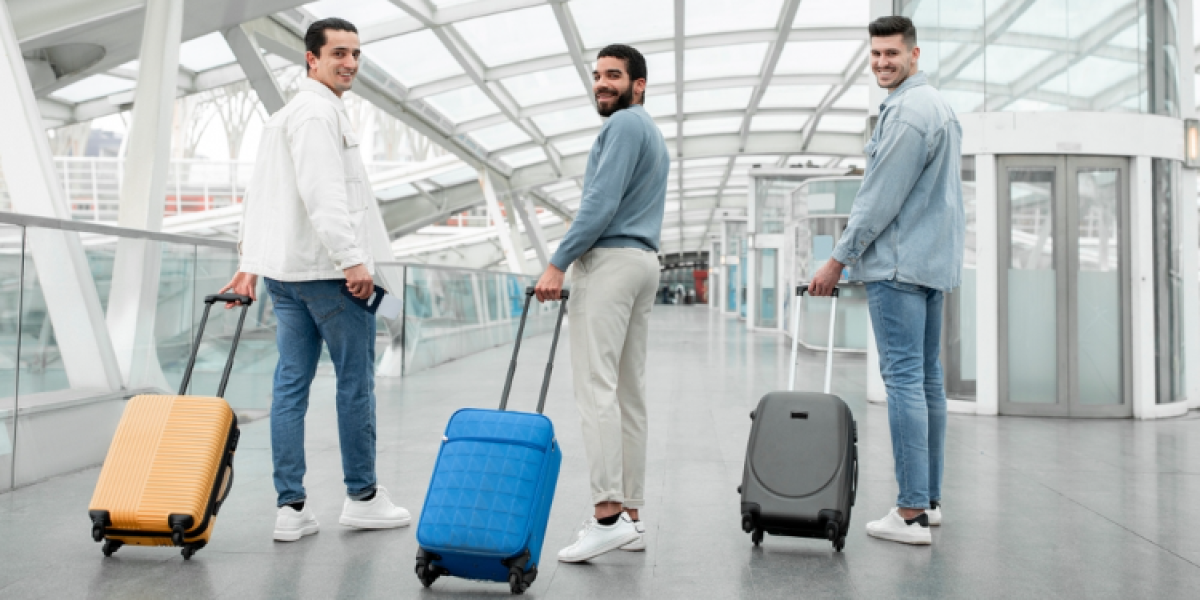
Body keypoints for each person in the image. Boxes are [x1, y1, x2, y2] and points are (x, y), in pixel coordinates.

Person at [220, 17, 410, 542]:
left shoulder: (287, 116)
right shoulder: (317, 116)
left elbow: (262, 198)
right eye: (338, 54)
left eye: (355, 54)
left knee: (290, 388)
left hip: (286, 276)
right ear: (311, 58)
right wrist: (353, 262)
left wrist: (249, 262)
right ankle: (363, 496)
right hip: (331, 275)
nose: (350, 63)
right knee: (355, 386)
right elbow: (324, 196)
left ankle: (291, 508)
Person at [809, 15, 964, 546]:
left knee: (903, 379)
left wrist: (838, 259)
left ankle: (911, 510)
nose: (881, 63)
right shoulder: (939, 107)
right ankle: (930, 499)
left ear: (914, 55)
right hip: (929, 265)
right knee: (926, 381)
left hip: (897, 266)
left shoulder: (906, 115)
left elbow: (878, 200)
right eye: (875, 55)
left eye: (891, 55)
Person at [532, 43, 669, 563]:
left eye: (613, 75)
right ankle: (630, 515)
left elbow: (600, 202)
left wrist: (557, 261)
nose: (602, 84)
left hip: (610, 262)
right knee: (628, 393)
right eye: (597, 77)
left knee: (597, 390)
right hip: (642, 263)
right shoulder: (652, 133)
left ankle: (607, 514)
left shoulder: (622, 127)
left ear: (639, 84)